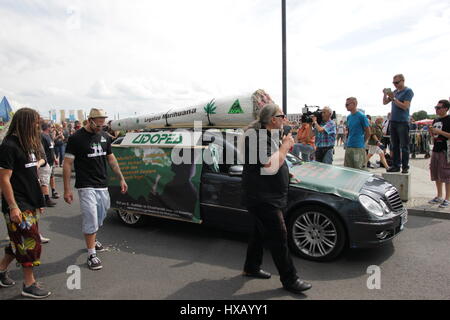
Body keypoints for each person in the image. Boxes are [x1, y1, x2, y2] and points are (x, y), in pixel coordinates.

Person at [241, 103, 312, 295]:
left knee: (259, 231)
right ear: (273, 119)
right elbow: (269, 163)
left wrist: (286, 174)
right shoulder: (256, 137)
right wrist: (286, 146)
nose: (284, 118)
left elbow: (273, 163)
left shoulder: (267, 135)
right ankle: (290, 279)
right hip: (262, 197)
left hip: (268, 194)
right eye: (282, 115)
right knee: (279, 235)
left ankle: (251, 267)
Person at [63, 108, 128, 271]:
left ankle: (93, 238)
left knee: (102, 213)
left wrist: (121, 178)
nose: (101, 126)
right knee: (91, 217)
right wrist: (66, 189)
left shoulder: (105, 136)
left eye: (103, 123)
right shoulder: (75, 138)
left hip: (102, 184)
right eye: (98, 123)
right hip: (86, 185)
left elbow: (111, 158)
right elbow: (67, 164)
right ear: (89, 120)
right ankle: (91, 254)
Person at [0, 108, 51, 298]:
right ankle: (29, 285)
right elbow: (4, 179)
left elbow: (31, 173)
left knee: (18, 240)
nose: (38, 126)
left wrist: (39, 201)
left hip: (30, 201)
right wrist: (13, 206)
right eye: (35, 122)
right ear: (25, 122)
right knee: (30, 242)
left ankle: (1, 270)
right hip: (18, 204)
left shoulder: (28, 144)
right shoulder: (8, 146)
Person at [383, 74, 414, 174]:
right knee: (394, 145)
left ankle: (405, 166)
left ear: (403, 81)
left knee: (404, 145)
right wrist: (385, 94)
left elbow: (405, 106)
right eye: (394, 83)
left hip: (402, 121)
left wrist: (394, 99)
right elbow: (384, 103)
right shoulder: (395, 92)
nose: (395, 85)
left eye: (397, 82)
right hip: (393, 121)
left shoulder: (408, 91)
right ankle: (396, 165)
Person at [428, 100, 450, 208]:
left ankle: (447, 198)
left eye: (439, 107)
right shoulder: (435, 120)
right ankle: (439, 196)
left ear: (446, 108)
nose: (436, 109)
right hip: (436, 149)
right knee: (436, 173)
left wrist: (439, 132)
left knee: (446, 174)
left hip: (445, 150)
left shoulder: (449, 119)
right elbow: (434, 137)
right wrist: (431, 132)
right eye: (435, 107)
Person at [344, 97, 371, 170]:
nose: (345, 106)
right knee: (348, 170)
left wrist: (362, 142)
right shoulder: (349, 117)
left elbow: (368, 132)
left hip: (358, 147)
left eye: (347, 104)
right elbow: (349, 131)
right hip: (349, 146)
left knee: (359, 170)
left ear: (354, 104)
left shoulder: (361, 116)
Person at [39, 123, 58, 207]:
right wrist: (43, 161)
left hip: (51, 161)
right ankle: (46, 199)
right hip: (45, 162)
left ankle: (52, 192)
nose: (52, 128)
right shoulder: (42, 136)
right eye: (51, 127)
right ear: (47, 128)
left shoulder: (49, 136)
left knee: (50, 177)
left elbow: (51, 148)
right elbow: (41, 150)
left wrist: (54, 158)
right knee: (44, 180)